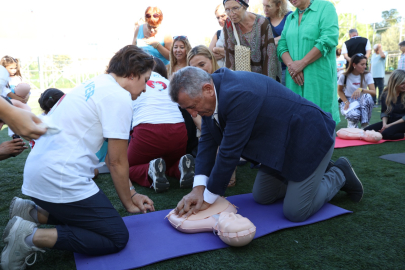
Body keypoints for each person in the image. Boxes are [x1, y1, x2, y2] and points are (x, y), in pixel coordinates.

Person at [1, 45, 156, 270]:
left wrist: (132, 192)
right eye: (145, 80)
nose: (145, 88)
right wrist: (129, 203)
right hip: (59, 177)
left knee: (89, 220)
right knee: (115, 236)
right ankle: (27, 237)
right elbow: (116, 161)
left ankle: (31, 212)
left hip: (40, 172)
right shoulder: (118, 96)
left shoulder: (97, 82)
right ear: (131, 74)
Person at [169, 67, 363, 222]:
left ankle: (340, 173)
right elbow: (207, 141)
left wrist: (208, 198)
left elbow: (228, 152)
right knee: (262, 196)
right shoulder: (212, 95)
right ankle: (313, 175)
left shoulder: (238, 94)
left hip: (309, 137)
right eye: (188, 110)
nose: (192, 114)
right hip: (280, 144)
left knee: (295, 211)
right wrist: (198, 188)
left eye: (193, 107)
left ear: (207, 89)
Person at [127, 57, 195, 192]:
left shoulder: (135, 82)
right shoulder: (168, 83)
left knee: (124, 167)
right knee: (168, 161)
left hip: (147, 131)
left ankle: (148, 170)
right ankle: (179, 168)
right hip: (178, 131)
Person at [277, 0, 340, 123]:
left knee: (321, 126)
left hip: (317, 81)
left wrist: (302, 63)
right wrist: (292, 66)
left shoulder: (325, 7)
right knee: (297, 128)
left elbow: (328, 39)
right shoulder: (290, 17)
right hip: (294, 81)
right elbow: (281, 45)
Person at [187, 45, 236, 187]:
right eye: (195, 68)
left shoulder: (227, 77)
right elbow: (196, 118)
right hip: (205, 127)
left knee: (228, 181)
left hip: (228, 127)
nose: (200, 70)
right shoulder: (191, 88)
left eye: (202, 64)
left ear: (211, 60)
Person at [223, 0, 281, 80]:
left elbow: (270, 56)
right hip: (242, 77)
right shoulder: (228, 24)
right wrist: (232, 81)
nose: (231, 13)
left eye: (235, 8)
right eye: (227, 9)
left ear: (244, 6)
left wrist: (267, 84)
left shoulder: (262, 23)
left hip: (262, 76)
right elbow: (229, 55)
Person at [0, 66, 45, 140]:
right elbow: (7, 92)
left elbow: (27, 90)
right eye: (11, 68)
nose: (13, 70)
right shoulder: (4, 78)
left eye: (15, 68)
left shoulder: (17, 78)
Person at [364, 69, 405, 140]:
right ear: (395, 82)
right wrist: (384, 125)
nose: (404, 85)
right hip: (392, 120)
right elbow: (384, 112)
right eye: (402, 83)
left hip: (402, 122)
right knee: (366, 130)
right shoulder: (385, 94)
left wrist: (389, 126)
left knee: (386, 134)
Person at [338, 53, 376, 129]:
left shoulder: (367, 75)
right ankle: (352, 125)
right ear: (354, 64)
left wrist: (361, 89)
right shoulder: (344, 76)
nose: (365, 66)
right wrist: (346, 102)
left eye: (365, 64)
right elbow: (339, 91)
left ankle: (364, 125)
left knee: (367, 96)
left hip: (363, 101)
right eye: (362, 64)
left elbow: (374, 92)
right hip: (349, 101)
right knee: (354, 115)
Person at [263, 0, 291, 85]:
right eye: (263, 6)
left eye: (268, 6)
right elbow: (262, 43)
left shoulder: (290, 17)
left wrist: (270, 42)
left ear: (278, 5)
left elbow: (290, 36)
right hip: (272, 68)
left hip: (288, 66)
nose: (265, 9)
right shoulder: (264, 21)